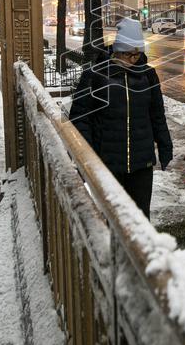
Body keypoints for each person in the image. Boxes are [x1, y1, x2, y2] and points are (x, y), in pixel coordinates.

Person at [69, 18, 172, 218]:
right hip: (107, 160)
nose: (133, 59)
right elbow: (80, 117)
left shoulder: (148, 75)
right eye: (128, 54)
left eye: (137, 54)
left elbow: (157, 114)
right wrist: (87, 154)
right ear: (117, 50)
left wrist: (165, 147)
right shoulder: (95, 75)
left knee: (140, 216)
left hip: (141, 162)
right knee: (112, 215)